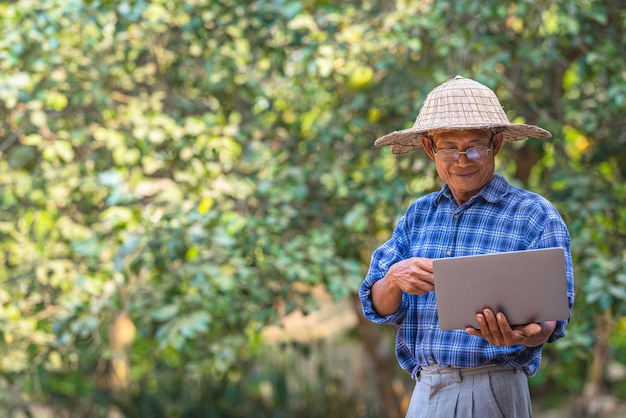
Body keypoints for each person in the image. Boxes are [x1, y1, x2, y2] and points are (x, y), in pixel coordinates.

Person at [359, 76, 575, 418]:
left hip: (495, 387)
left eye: (475, 147)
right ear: (430, 148)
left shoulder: (534, 214)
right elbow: (377, 306)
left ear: (497, 144)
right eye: (448, 148)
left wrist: (523, 335)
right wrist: (394, 279)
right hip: (425, 389)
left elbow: (549, 319)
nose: (463, 160)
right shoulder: (419, 214)